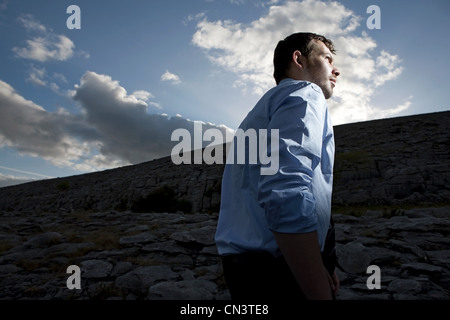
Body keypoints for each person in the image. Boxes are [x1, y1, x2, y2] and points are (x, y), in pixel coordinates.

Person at [215, 32, 341, 301]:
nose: (336, 69)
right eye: (327, 58)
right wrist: (316, 286)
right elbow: (286, 190)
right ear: (299, 59)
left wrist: (318, 262)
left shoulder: (258, 113)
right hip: (279, 272)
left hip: (246, 269)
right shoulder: (306, 93)